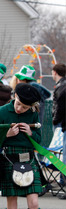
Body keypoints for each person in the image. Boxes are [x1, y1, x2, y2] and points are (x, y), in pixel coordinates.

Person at [51, 63, 66, 197]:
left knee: (64, 156)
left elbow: (59, 106)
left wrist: (55, 119)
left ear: (55, 72)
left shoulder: (62, 87)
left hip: (62, 123)